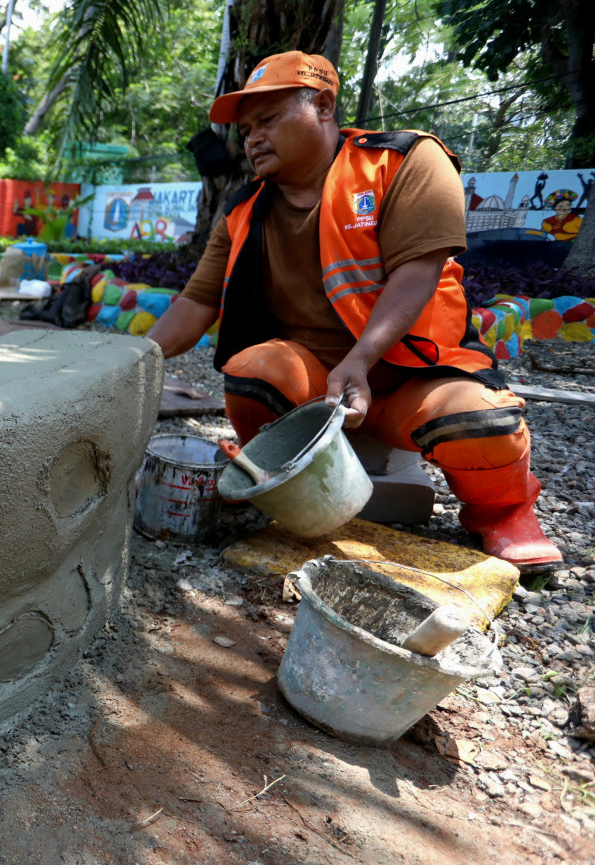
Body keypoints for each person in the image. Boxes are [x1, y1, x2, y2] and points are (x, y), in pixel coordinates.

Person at [147, 51, 563, 572]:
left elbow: (419, 270)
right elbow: (196, 301)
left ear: (323, 105)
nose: (252, 137)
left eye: (268, 119)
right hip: (314, 389)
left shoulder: (404, 161)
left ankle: (504, 512)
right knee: (252, 371)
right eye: (247, 127)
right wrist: (136, 358)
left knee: (484, 421)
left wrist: (361, 361)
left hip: (417, 376)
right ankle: (275, 480)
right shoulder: (243, 209)